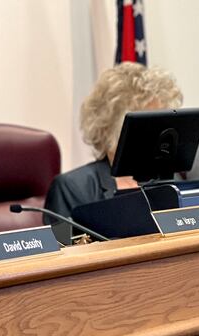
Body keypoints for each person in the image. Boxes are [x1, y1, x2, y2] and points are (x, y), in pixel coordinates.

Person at [44, 62, 183, 221]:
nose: (157, 132)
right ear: (109, 125)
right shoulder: (72, 187)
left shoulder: (169, 180)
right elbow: (65, 243)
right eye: (147, 122)